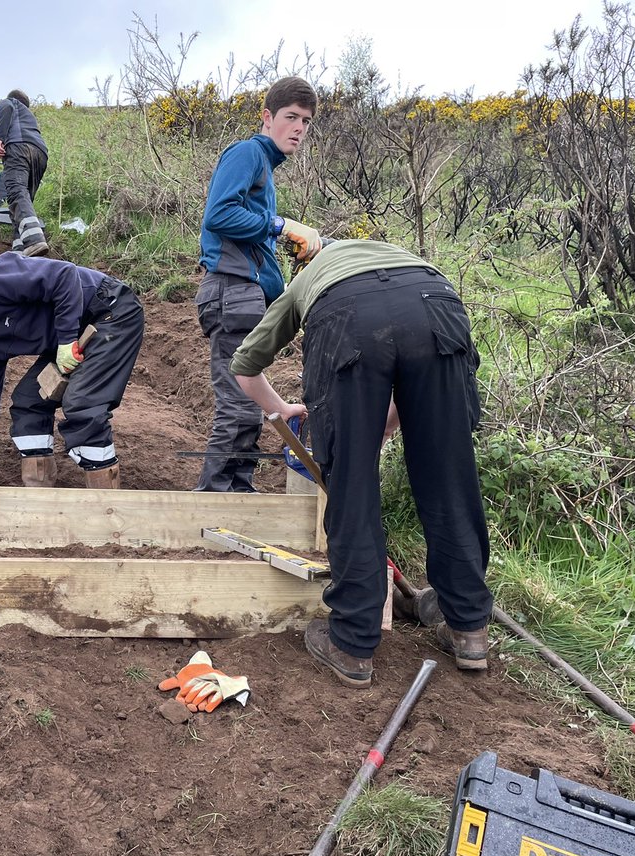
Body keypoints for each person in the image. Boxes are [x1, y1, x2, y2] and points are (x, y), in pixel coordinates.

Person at [230, 239, 495, 688]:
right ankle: (469, 628)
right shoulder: (408, 261)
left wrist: (283, 409)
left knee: (351, 486)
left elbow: (245, 367)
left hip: (347, 320)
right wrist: (389, 422)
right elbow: (408, 358)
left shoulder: (307, 281)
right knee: (450, 478)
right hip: (437, 308)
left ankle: (352, 643)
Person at [0, 253, 144, 488]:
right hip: (71, 337)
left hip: (108, 310)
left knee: (82, 403)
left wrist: (65, 341)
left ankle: (106, 505)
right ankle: (38, 500)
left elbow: (65, 275)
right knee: (27, 403)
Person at [193, 76, 322, 492]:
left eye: (305, 120)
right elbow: (219, 215)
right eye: (290, 117)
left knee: (247, 405)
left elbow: (248, 234)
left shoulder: (265, 168)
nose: (299, 128)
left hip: (245, 296)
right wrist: (281, 226)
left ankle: (239, 492)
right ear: (267, 118)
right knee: (236, 403)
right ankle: (213, 498)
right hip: (231, 291)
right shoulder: (248, 153)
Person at [0, 90, 49, 256]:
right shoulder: (30, 117)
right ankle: (20, 250)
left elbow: (6, 107)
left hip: (19, 148)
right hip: (40, 154)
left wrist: (0, 138)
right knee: (24, 202)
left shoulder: (10, 102)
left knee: (16, 192)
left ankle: (34, 241)